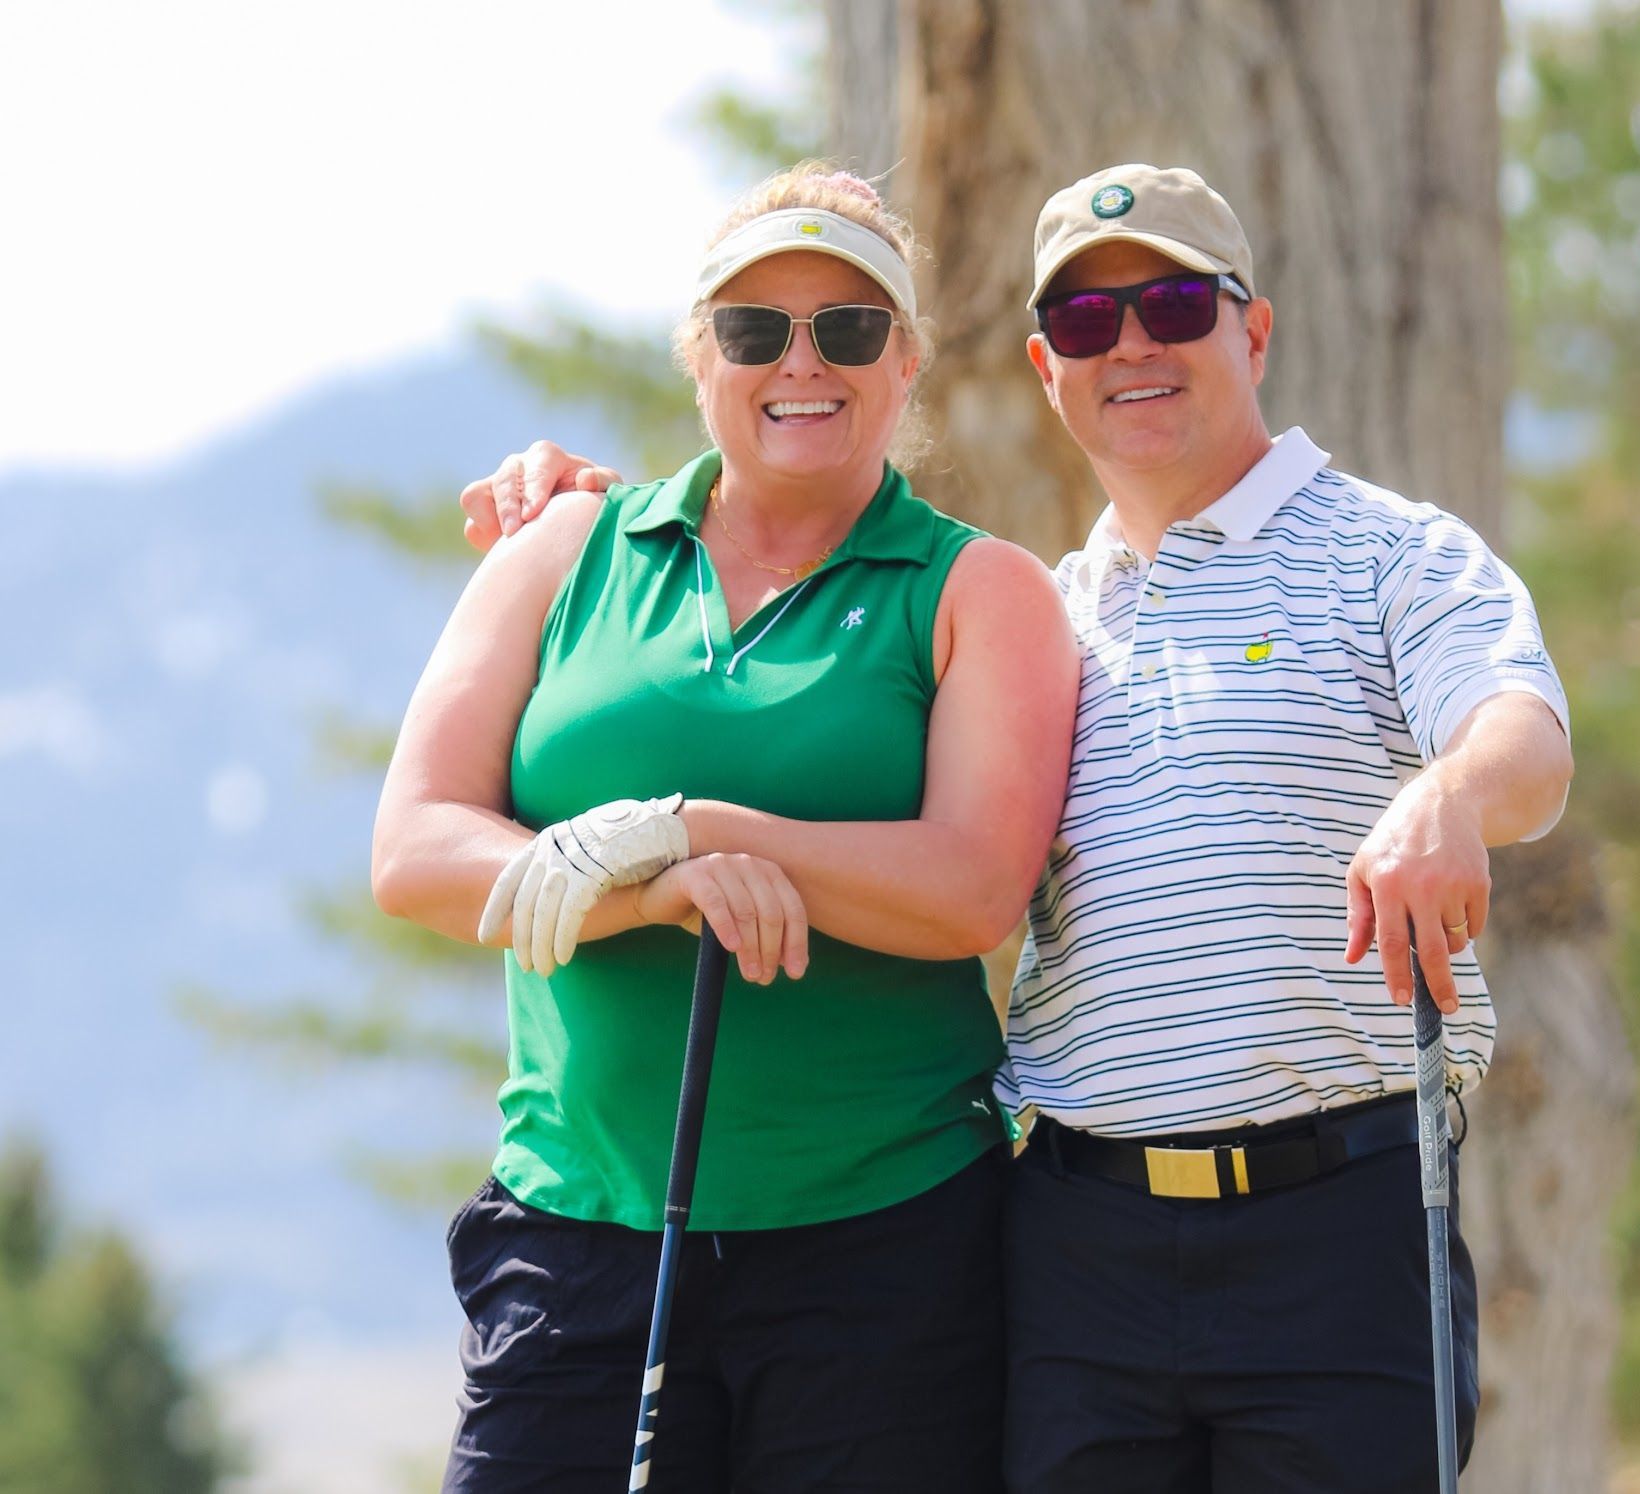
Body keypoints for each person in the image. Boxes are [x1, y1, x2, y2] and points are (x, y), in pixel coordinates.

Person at [469, 163, 1574, 1493]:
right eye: (1092, 325)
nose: (1135, 346)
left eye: (1172, 303)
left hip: (1336, 1222)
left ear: (1255, 330)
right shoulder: (1049, 615)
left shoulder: (1394, 554)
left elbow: (1525, 737)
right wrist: (571, 499)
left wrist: (1448, 796)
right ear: (1050, 368)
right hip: (1077, 1245)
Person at [373, 163, 1076, 1492]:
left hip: (884, 1250)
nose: (800, 361)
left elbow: (974, 886)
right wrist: (655, 889)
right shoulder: (565, 548)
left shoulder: (981, 589)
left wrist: (693, 827)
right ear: (700, 355)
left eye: (850, 327)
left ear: (907, 357)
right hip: (576, 1227)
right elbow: (414, 846)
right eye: (755, 329)